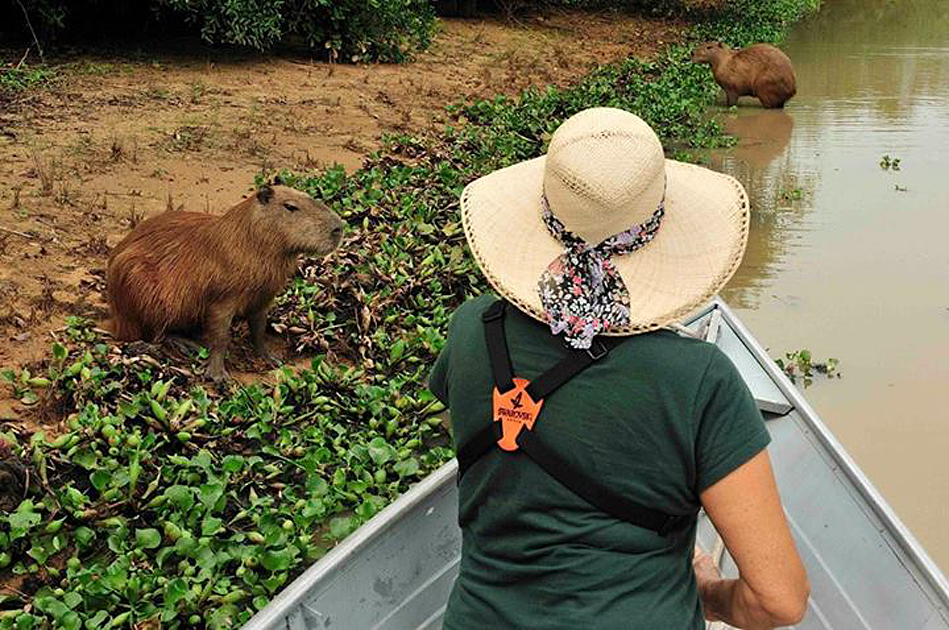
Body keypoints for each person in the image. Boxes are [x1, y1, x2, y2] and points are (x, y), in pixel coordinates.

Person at [428, 107, 809, 629]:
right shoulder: (701, 382)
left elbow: (483, 453)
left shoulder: (473, 328)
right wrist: (711, 597)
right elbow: (778, 601)